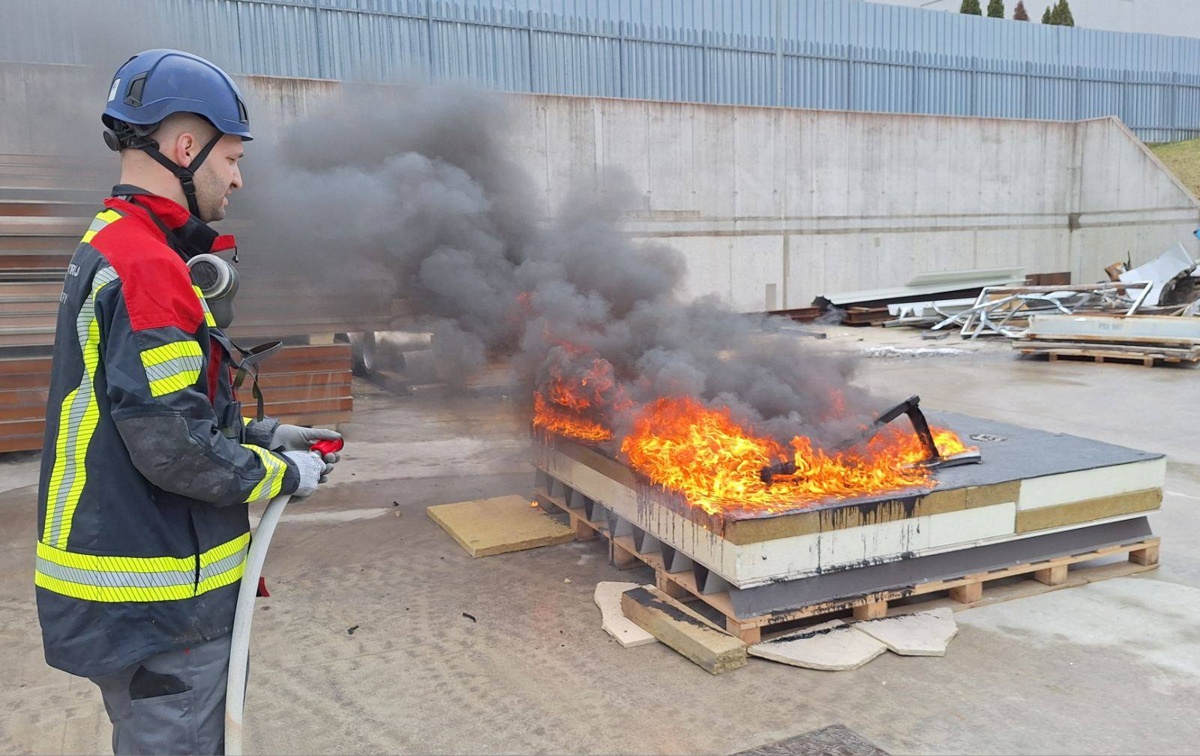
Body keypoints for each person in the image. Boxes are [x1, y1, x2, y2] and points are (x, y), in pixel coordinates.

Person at [35, 49, 340, 755]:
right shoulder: (147, 268)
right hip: (161, 606)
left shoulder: (109, 243)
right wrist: (285, 475)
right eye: (231, 157)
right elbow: (173, 447)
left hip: (130, 589)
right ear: (184, 147)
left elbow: (146, 411)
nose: (238, 177)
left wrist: (265, 433)